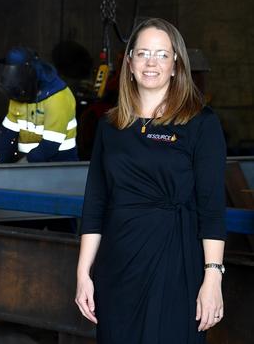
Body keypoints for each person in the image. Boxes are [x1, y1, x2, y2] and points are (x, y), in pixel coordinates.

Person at [75, 17, 226, 343]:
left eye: (161, 54)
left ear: (176, 65)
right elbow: (96, 202)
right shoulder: (110, 126)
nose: (151, 63)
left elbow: (212, 208)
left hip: (175, 260)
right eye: (143, 53)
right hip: (118, 264)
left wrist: (213, 278)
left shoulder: (201, 123)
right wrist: (83, 273)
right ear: (129, 63)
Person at [0, 47, 78, 163]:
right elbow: (7, 134)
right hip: (29, 162)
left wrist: (22, 165)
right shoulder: (19, 93)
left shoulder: (58, 97)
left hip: (60, 164)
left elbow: (50, 145)